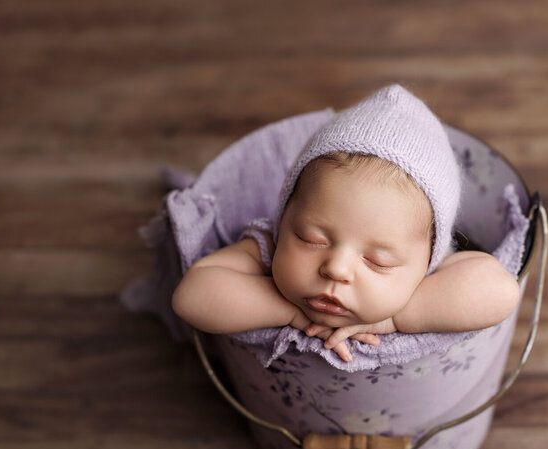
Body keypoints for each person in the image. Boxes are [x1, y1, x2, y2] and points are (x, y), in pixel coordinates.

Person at [171, 85, 520, 363]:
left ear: (427, 256)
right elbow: (193, 296)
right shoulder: (267, 246)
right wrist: (290, 312)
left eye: (377, 261)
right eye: (312, 239)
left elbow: (501, 292)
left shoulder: (429, 274)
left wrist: (396, 317)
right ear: (284, 216)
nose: (336, 268)